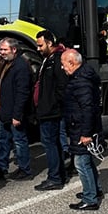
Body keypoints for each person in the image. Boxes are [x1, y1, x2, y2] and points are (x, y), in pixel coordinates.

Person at [0, 38, 32, 181]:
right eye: (1, 50)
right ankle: (1, 168)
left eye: (5, 50)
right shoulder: (5, 64)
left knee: (19, 140)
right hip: (3, 109)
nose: (2, 53)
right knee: (3, 141)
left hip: (14, 112)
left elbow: (22, 93)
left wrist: (17, 115)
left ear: (14, 50)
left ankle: (25, 170)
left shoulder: (20, 67)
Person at [61, 49, 102, 210]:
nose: (63, 68)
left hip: (81, 128)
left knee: (81, 163)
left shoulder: (81, 81)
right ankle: (94, 190)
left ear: (72, 63)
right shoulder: (82, 77)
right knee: (87, 161)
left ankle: (90, 198)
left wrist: (86, 133)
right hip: (78, 125)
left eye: (64, 64)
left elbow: (87, 109)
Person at [33, 30, 68, 191]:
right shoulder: (48, 59)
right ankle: (59, 174)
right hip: (46, 110)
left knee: (51, 144)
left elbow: (62, 87)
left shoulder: (57, 60)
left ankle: (55, 178)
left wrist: (53, 107)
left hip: (52, 111)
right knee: (53, 144)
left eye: (40, 45)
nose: (38, 48)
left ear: (49, 43)